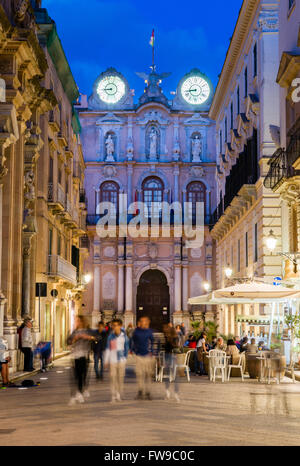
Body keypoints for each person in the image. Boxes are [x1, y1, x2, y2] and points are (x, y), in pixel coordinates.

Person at [67, 315, 95, 406]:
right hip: (76, 356)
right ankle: (77, 393)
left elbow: (96, 338)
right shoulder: (74, 332)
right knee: (76, 375)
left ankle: (80, 391)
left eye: (78, 320)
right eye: (76, 321)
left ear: (82, 322)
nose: (77, 322)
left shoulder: (87, 331)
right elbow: (68, 341)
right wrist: (74, 339)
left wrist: (88, 337)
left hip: (84, 355)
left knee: (83, 375)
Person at [104, 318, 129, 403]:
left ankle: (118, 394)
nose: (115, 327)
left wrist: (125, 359)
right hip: (113, 360)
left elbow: (126, 349)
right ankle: (113, 395)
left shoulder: (124, 337)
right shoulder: (110, 337)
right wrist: (106, 360)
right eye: (113, 326)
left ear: (120, 326)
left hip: (121, 360)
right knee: (113, 378)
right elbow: (108, 348)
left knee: (120, 378)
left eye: (117, 325)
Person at [131, 316, 154, 400]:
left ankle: (148, 392)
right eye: (142, 321)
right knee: (139, 374)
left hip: (148, 356)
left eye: (145, 321)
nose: (144, 323)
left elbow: (153, 341)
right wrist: (134, 351)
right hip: (139, 356)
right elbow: (132, 341)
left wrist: (152, 351)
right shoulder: (136, 332)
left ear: (148, 322)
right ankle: (140, 391)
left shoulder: (149, 332)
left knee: (148, 374)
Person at [162, 324, 180, 402]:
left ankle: (167, 391)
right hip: (173, 357)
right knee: (175, 375)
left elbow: (166, 348)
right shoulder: (176, 338)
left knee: (167, 374)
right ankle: (176, 393)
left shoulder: (167, 338)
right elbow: (177, 347)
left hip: (167, 357)